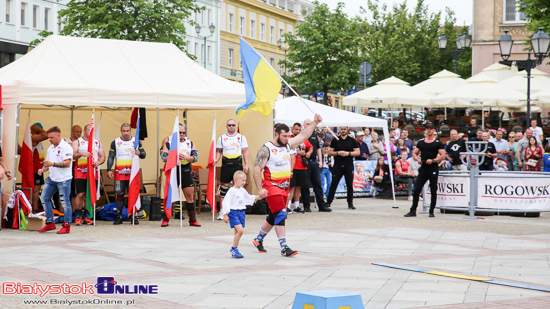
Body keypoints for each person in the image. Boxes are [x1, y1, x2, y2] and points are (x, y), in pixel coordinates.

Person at [252, 116, 322, 257]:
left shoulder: (288, 144)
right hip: (272, 187)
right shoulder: (266, 149)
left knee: (274, 215)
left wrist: (315, 123)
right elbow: (256, 169)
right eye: (284, 136)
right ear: (276, 134)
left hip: (284, 187)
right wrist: (260, 189)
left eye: (287, 136)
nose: (286, 138)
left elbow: (303, 135)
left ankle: (258, 240)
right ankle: (284, 247)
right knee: (280, 214)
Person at [160, 124, 201, 227]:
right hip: (173, 171)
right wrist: (173, 156)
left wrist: (187, 157)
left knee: (189, 196)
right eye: (179, 133)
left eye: (183, 132)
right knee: (169, 195)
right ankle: (166, 218)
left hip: (185, 170)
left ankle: (192, 219)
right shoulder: (169, 143)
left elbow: (196, 157)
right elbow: (163, 157)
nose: (182, 135)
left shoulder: (189, 142)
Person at [106, 123, 146, 225]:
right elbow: (111, 156)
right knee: (119, 195)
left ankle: (133, 216)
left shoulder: (136, 141)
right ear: (121, 131)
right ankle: (118, 216)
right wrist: (109, 169)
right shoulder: (115, 142)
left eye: (127, 131)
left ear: (130, 131)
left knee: (133, 195)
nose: (126, 133)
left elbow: (144, 155)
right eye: (124, 131)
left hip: (133, 174)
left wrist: (139, 153)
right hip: (120, 173)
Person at [37, 127, 74, 234]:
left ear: (58, 135)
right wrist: (43, 169)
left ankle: (66, 225)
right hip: (52, 178)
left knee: (64, 202)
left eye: (51, 137)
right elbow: (49, 163)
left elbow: (67, 164)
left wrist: (51, 164)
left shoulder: (66, 147)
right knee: (44, 198)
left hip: (64, 179)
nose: (50, 139)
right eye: (49, 137)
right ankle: (50, 223)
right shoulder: (50, 148)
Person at [404, 123, 445, 218]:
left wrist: (434, 160)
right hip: (423, 168)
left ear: (434, 131)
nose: (429, 130)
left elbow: (442, 155)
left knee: (433, 190)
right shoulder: (421, 142)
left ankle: (431, 211)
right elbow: (414, 152)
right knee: (417, 189)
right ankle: (413, 210)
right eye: (428, 129)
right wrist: (417, 159)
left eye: (431, 129)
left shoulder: (437, 143)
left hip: (433, 168)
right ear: (426, 130)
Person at [214, 119, 249, 220]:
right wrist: (216, 160)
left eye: (233, 125)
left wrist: (246, 164)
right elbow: (219, 151)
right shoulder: (222, 138)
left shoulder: (241, 137)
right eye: (229, 125)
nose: (231, 127)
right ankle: (222, 212)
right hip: (226, 165)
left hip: (237, 164)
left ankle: (238, 210)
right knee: (223, 189)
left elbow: (245, 151)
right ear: (226, 126)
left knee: (238, 187)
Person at [71, 124, 105, 226]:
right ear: (84, 131)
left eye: (92, 131)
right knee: (80, 194)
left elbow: (103, 156)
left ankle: (87, 216)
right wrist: (82, 154)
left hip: (92, 173)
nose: (90, 132)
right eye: (89, 130)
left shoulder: (97, 143)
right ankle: (78, 216)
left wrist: (99, 162)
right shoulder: (77, 142)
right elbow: (72, 154)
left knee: (89, 195)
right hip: (80, 171)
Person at [222, 171, 258, 258]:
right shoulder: (231, 191)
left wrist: (260, 196)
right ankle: (234, 248)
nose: (244, 182)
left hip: (241, 212)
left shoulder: (243, 190)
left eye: (245, 180)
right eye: (242, 180)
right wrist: (225, 214)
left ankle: (235, 248)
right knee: (241, 230)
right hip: (233, 212)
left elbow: (249, 198)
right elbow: (225, 202)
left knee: (237, 232)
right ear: (235, 180)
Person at [326, 126, 360, 210]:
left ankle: (350, 203)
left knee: (349, 184)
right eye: (342, 129)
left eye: (344, 129)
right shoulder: (335, 140)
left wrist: (348, 153)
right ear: (339, 130)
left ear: (347, 130)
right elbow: (330, 152)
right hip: (338, 165)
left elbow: (357, 152)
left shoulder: (352, 140)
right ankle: (328, 202)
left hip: (348, 165)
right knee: (333, 184)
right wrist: (338, 153)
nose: (343, 131)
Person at [301, 119, 330, 213]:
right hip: (305, 162)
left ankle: (321, 205)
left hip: (314, 163)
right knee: (305, 185)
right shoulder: (302, 135)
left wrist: (320, 161)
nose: (309, 125)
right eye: (307, 124)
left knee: (318, 184)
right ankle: (306, 205)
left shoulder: (314, 135)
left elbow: (318, 149)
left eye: (310, 124)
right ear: (304, 125)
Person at [287, 123, 312, 214]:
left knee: (299, 187)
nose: (298, 131)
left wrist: (309, 152)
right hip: (292, 166)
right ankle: (288, 206)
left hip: (302, 167)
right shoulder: (289, 139)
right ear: (292, 129)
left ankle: (297, 206)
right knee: (291, 187)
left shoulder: (303, 139)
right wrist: (298, 152)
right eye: (296, 129)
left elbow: (311, 147)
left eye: (299, 129)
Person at [31, 123, 48, 211]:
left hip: (39, 168)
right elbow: (46, 135)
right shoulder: (33, 137)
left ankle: (35, 207)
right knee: (36, 189)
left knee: (37, 188)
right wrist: (38, 129)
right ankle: (34, 208)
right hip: (35, 169)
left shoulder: (36, 139)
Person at [66, 125, 82, 210]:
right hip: (68, 168)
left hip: (78, 168)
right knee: (66, 191)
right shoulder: (65, 141)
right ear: (72, 132)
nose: (79, 133)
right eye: (77, 131)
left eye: (80, 132)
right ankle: (64, 213)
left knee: (76, 192)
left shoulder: (82, 142)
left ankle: (74, 212)